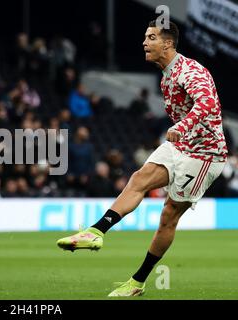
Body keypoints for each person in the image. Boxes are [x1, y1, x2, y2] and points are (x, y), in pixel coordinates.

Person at [56, 20, 228, 297]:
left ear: (168, 43)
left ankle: (138, 282)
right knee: (139, 178)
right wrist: (181, 131)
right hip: (182, 144)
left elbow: (207, 104)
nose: (144, 43)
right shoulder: (166, 75)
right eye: (145, 37)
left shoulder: (190, 70)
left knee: (168, 216)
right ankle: (96, 232)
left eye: (151, 38)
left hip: (205, 154)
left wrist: (181, 127)